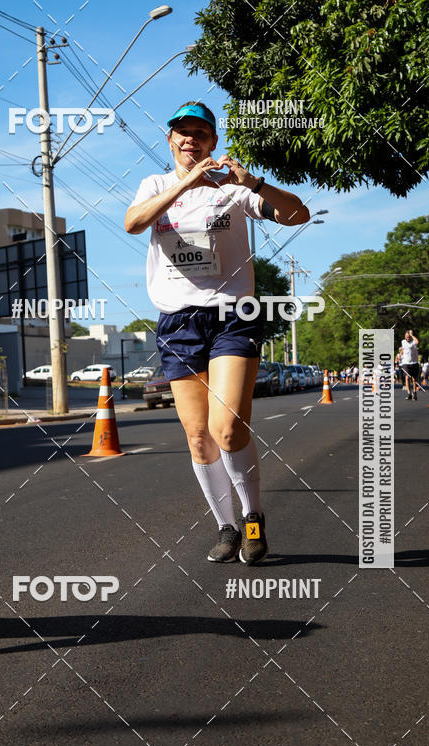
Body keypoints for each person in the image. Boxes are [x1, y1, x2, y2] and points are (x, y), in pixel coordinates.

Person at [125, 101, 309, 563]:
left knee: (226, 428)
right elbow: (132, 223)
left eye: (200, 133)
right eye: (182, 132)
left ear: (214, 142)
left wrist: (256, 183)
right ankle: (226, 527)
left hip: (233, 314)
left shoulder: (233, 188)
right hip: (178, 322)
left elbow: (298, 215)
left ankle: (252, 515)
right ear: (170, 140)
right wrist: (185, 183)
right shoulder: (155, 185)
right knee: (198, 436)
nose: (191, 140)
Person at [399, 329, 420, 399]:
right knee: (407, 377)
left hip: (414, 362)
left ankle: (414, 392)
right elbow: (403, 349)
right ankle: (409, 393)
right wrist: (400, 354)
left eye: (408, 337)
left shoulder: (413, 342)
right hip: (406, 362)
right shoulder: (403, 341)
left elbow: (417, 341)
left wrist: (411, 335)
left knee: (414, 379)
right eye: (406, 337)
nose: (407, 338)